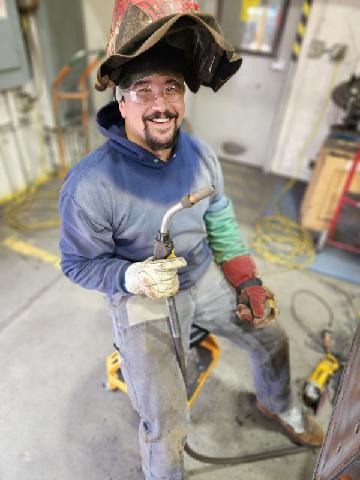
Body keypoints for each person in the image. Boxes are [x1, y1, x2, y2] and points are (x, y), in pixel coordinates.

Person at [59, 2, 323, 479]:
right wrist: (131, 275)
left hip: (202, 278)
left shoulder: (198, 153)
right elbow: (78, 264)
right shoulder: (89, 185)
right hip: (142, 300)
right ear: (121, 104)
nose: (161, 104)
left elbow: (219, 217)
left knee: (273, 337)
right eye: (143, 91)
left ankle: (278, 404)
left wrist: (246, 281)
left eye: (171, 89)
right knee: (166, 420)